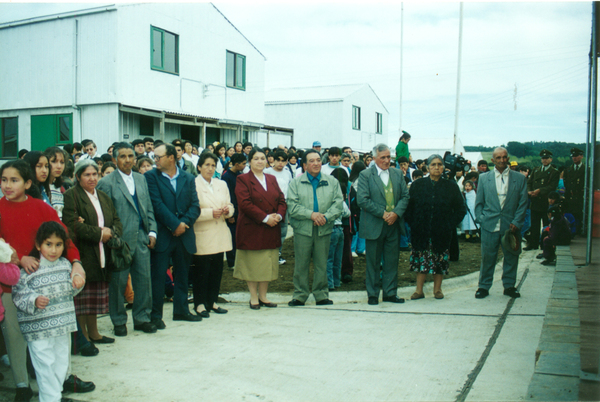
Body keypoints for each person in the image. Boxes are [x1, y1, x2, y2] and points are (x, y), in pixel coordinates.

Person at [0, 160, 91, 401]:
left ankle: (58, 384)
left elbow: (64, 238)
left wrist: (76, 263)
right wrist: (18, 260)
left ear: (28, 183)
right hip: (11, 284)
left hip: (47, 282)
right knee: (15, 335)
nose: (7, 185)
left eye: (14, 180)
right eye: (4, 180)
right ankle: (21, 384)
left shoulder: (42, 208)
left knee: (56, 340)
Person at [12, 222, 85, 402]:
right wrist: (34, 300)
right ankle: (51, 399)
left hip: (62, 326)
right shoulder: (30, 269)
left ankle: (55, 395)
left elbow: (70, 290)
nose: (53, 250)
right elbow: (18, 293)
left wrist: (77, 283)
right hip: (38, 329)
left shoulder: (66, 265)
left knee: (61, 364)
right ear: (38, 245)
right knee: (45, 366)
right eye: (48, 244)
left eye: (58, 245)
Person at [96, 142, 158, 336]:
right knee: (118, 282)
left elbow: (148, 207)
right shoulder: (106, 183)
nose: (127, 160)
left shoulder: (141, 179)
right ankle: (119, 321)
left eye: (130, 156)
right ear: (115, 159)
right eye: (122, 156)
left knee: (143, 280)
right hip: (120, 241)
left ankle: (142, 318)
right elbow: (104, 215)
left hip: (141, 237)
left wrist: (152, 232)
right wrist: (112, 238)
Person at [63, 159, 123, 345]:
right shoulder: (72, 196)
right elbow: (72, 225)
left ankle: (95, 333)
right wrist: (99, 233)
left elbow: (116, 220)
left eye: (94, 174)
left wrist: (110, 232)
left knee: (95, 298)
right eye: (87, 175)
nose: (92, 178)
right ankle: (84, 337)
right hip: (85, 253)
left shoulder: (103, 196)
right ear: (78, 177)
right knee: (83, 298)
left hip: (103, 254)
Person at [144, 144, 201, 327]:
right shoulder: (150, 177)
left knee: (183, 275)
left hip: (184, 235)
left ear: (171, 157)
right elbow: (156, 204)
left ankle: (181, 310)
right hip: (163, 234)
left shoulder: (188, 177)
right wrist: (174, 225)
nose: (155, 161)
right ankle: (155, 316)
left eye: (158, 157)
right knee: (159, 277)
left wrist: (183, 224)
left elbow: (195, 206)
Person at [405, 155, 466, 300]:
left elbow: (460, 209)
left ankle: (437, 290)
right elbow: (409, 208)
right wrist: (414, 223)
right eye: (433, 164)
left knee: (440, 260)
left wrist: (449, 224)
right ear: (427, 166)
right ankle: (419, 290)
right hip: (421, 231)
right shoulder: (418, 185)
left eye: (440, 164)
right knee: (421, 260)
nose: (437, 167)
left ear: (444, 167)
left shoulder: (451, 186)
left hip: (442, 231)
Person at [287, 149, 343, 306]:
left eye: (318, 160)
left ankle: (321, 294)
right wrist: (311, 215)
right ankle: (300, 295)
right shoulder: (295, 183)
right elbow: (292, 205)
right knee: (301, 264)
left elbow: (338, 204)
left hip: (324, 228)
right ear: (304, 165)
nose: (316, 163)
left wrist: (325, 217)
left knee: (322, 263)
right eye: (311, 161)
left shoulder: (332, 182)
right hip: (303, 230)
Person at [233, 148, 287, 309]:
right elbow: (245, 204)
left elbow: (282, 200)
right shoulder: (242, 179)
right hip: (253, 227)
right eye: (256, 158)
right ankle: (253, 297)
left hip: (271, 227)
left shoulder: (271, 178)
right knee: (253, 264)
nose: (260, 161)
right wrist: (265, 218)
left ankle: (263, 296)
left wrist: (278, 215)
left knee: (267, 264)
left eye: (262, 158)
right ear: (249, 161)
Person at [358, 144, 409, 305]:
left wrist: (396, 213)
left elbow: (405, 197)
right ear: (374, 159)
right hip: (374, 225)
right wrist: (383, 213)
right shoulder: (366, 175)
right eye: (383, 158)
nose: (387, 160)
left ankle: (390, 293)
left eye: (389, 157)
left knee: (392, 260)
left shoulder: (397, 174)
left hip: (393, 225)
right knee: (372, 262)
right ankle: (373, 294)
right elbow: (362, 200)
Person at [474, 147, 528, 299]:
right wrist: (482, 220)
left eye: (504, 157)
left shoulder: (519, 178)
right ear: (493, 160)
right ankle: (483, 287)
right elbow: (479, 203)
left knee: (511, 257)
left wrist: (517, 221)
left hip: (511, 226)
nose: (502, 160)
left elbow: (523, 203)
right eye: (498, 158)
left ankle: (509, 286)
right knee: (487, 257)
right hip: (489, 225)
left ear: (508, 158)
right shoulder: (484, 178)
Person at [192, 152, 234, 317]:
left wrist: (227, 211)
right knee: (201, 271)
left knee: (216, 270)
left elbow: (230, 204)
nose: (210, 168)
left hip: (220, 233)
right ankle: (200, 304)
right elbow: (191, 211)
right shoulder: (193, 184)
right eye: (207, 165)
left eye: (213, 165)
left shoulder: (221, 184)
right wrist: (211, 213)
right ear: (199, 166)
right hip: (202, 233)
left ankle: (212, 301)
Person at [525, 149, 560, 250]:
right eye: (543, 158)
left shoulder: (554, 172)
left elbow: (552, 186)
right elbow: (529, 183)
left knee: (546, 225)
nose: (544, 160)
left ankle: (545, 245)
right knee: (534, 225)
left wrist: (539, 190)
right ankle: (533, 244)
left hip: (545, 202)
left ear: (550, 159)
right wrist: (529, 191)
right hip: (535, 201)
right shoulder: (536, 170)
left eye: (546, 158)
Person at [264, 149, 294, 265]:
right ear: (273, 161)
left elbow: (290, 187)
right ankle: (268, 253)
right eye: (278, 160)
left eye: (283, 161)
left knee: (282, 229)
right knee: (270, 228)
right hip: (270, 204)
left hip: (284, 204)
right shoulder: (267, 172)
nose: (280, 163)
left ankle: (278, 253)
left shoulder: (287, 172)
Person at [326, 168, 351, 291]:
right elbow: (347, 213)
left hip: (330, 229)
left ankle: (329, 283)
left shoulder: (326, 199)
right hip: (340, 229)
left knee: (328, 259)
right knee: (337, 258)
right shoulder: (340, 199)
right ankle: (337, 282)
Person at [221, 153, 247, 269]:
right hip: (232, 210)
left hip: (240, 209)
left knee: (239, 236)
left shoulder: (239, 175)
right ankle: (231, 262)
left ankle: (238, 260)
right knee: (231, 237)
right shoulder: (227, 177)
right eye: (243, 164)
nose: (245, 166)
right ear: (237, 164)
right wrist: (230, 215)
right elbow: (228, 196)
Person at [563, 147, 585, 235]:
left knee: (580, 216)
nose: (574, 158)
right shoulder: (568, 170)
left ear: (581, 156)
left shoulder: (587, 170)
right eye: (573, 156)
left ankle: (580, 231)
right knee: (571, 216)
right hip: (570, 198)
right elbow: (566, 184)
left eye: (576, 156)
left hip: (581, 197)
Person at [44, 147, 71, 219]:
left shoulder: (60, 188)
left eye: (62, 162)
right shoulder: (40, 189)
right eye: (54, 161)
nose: (59, 166)